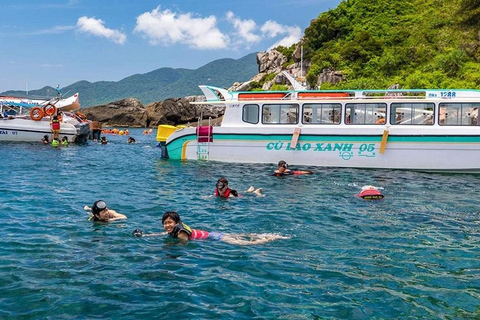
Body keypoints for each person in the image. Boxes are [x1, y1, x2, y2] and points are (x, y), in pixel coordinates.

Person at [132, 211, 289, 245]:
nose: (167, 225)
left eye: (170, 222)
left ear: (177, 222)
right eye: (165, 222)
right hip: (213, 234)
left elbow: (184, 243)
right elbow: (163, 234)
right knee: (243, 236)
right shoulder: (175, 229)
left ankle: (269, 239)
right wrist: (146, 236)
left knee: (243, 243)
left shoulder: (180, 232)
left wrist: (168, 247)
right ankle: (266, 236)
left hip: (213, 237)